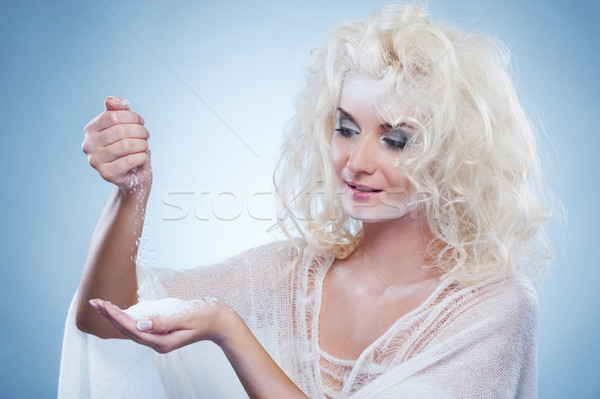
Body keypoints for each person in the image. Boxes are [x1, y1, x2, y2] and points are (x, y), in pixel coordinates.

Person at [59, 4, 552, 398]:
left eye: (396, 139)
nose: (356, 161)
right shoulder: (288, 276)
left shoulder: (494, 307)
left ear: (456, 155)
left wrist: (227, 329)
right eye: (347, 128)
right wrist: (131, 192)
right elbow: (107, 316)